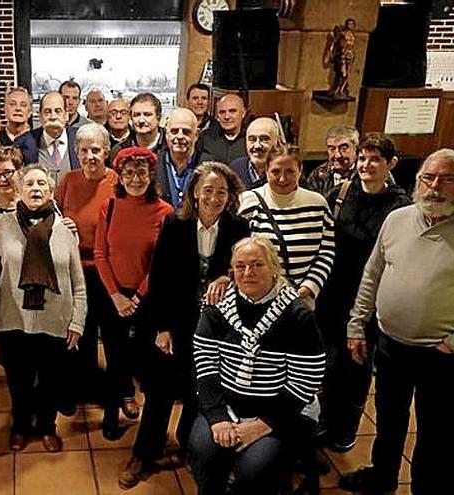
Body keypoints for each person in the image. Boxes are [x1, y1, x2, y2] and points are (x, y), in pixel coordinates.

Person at [339, 149, 454, 495]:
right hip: (391, 343)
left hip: (441, 354)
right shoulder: (398, 219)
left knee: (434, 431)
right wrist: (357, 323)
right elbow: (373, 273)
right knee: (389, 421)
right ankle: (382, 477)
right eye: (429, 177)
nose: (435, 187)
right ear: (418, 180)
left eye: (447, 179)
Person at [119, 162, 250, 489]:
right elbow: (160, 277)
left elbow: (247, 272)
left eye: (222, 191)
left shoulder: (239, 227)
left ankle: (190, 447)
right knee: (160, 392)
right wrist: (162, 327)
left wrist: (228, 276)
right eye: (208, 190)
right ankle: (143, 455)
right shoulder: (174, 224)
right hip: (172, 323)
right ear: (194, 192)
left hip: (216, 330)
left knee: (201, 390)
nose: (214, 197)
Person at [188, 236, 326, 495]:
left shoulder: (297, 315)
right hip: (229, 405)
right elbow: (205, 365)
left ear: (274, 268)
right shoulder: (216, 308)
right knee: (202, 451)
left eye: (257, 265)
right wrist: (218, 419)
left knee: (255, 468)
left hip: (282, 412)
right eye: (240, 266)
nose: (248, 272)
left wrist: (261, 425)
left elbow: (306, 380)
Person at [314, 133, 410, 453]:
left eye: (375, 159)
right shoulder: (340, 193)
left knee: (357, 366)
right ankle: (324, 422)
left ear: (391, 163)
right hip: (332, 293)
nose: (367, 165)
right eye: (363, 159)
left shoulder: (400, 206)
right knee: (327, 363)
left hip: (369, 297)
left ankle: (346, 429)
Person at [0, 164, 86, 453]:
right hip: (13, 319)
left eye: (41, 184)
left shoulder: (65, 229)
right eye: (29, 183)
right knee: (18, 382)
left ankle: (47, 426)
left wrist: (77, 323)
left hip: (55, 319)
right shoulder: (3, 226)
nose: (35, 188)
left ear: (50, 190)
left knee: (50, 381)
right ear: (19, 190)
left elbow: (78, 282)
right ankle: (20, 426)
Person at [93, 147, 173, 439]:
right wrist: (115, 295)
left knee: (146, 361)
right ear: (120, 176)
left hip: (147, 300)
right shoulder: (109, 206)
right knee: (115, 358)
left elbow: (161, 263)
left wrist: (137, 297)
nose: (135, 179)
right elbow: (100, 253)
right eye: (129, 173)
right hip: (112, 297)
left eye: (141, 173)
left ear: (151, 176)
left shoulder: (165, 212)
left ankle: (152, 427)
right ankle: (111, 412)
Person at [55, 123, 119, 409]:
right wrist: (62, 225)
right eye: (84, 150)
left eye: (96, 150)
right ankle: (78, 386)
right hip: (74, 269)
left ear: (106, 151)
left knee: (111, 331)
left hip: (108, 270)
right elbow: (52, 216)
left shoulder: (118, 182)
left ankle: (116, 392)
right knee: (80, 330)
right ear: (76, 153)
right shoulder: (68, 180)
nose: (90, 156)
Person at [238, 145, 335, 307]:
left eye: (290, 171)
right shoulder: (248, 202)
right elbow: (237, 256)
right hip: (257, 300)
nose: (283, 179)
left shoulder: (318, 204)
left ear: (300, 170)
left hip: (301, 301)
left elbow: (326, 251)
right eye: (276, 171)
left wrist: (309, 287)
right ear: (266, 170)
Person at [15, 91, 80, 180]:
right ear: (40, 116)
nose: (53, 116)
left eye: (58, 111)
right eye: (47, 112)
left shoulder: (81, 139)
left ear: (66, 115)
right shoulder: (23, 143)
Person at [157, 108, 199, 209]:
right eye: (174, 131)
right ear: (166, 134)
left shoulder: (208, 166)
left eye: (186, 132)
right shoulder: (153, 165)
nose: (180, 136)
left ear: (196, 135)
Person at [303, 125, 359, 196]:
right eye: (332, 149)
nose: (337, 155)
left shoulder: (363, 173)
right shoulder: (319, 173)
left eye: (343, 149)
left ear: (355, 149)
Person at [194, 93, 248, 165]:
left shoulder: (250, 139)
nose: (226, 116)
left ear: (243, 113)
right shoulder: (204, 138)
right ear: (217, 116)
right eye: (222, 112)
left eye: (232, 111)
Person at [110, 93, 165, 161]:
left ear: (158, 117)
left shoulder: (170, 145)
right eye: (137, 115)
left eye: (147, 115)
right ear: (131, 118)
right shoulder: (120, 150)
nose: (141, 120)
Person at [228, 117, 280, 190]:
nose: (257, 145)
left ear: (277, 143)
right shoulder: (235, 168)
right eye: (252, 139)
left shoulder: (283, 172)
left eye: (264, 139)